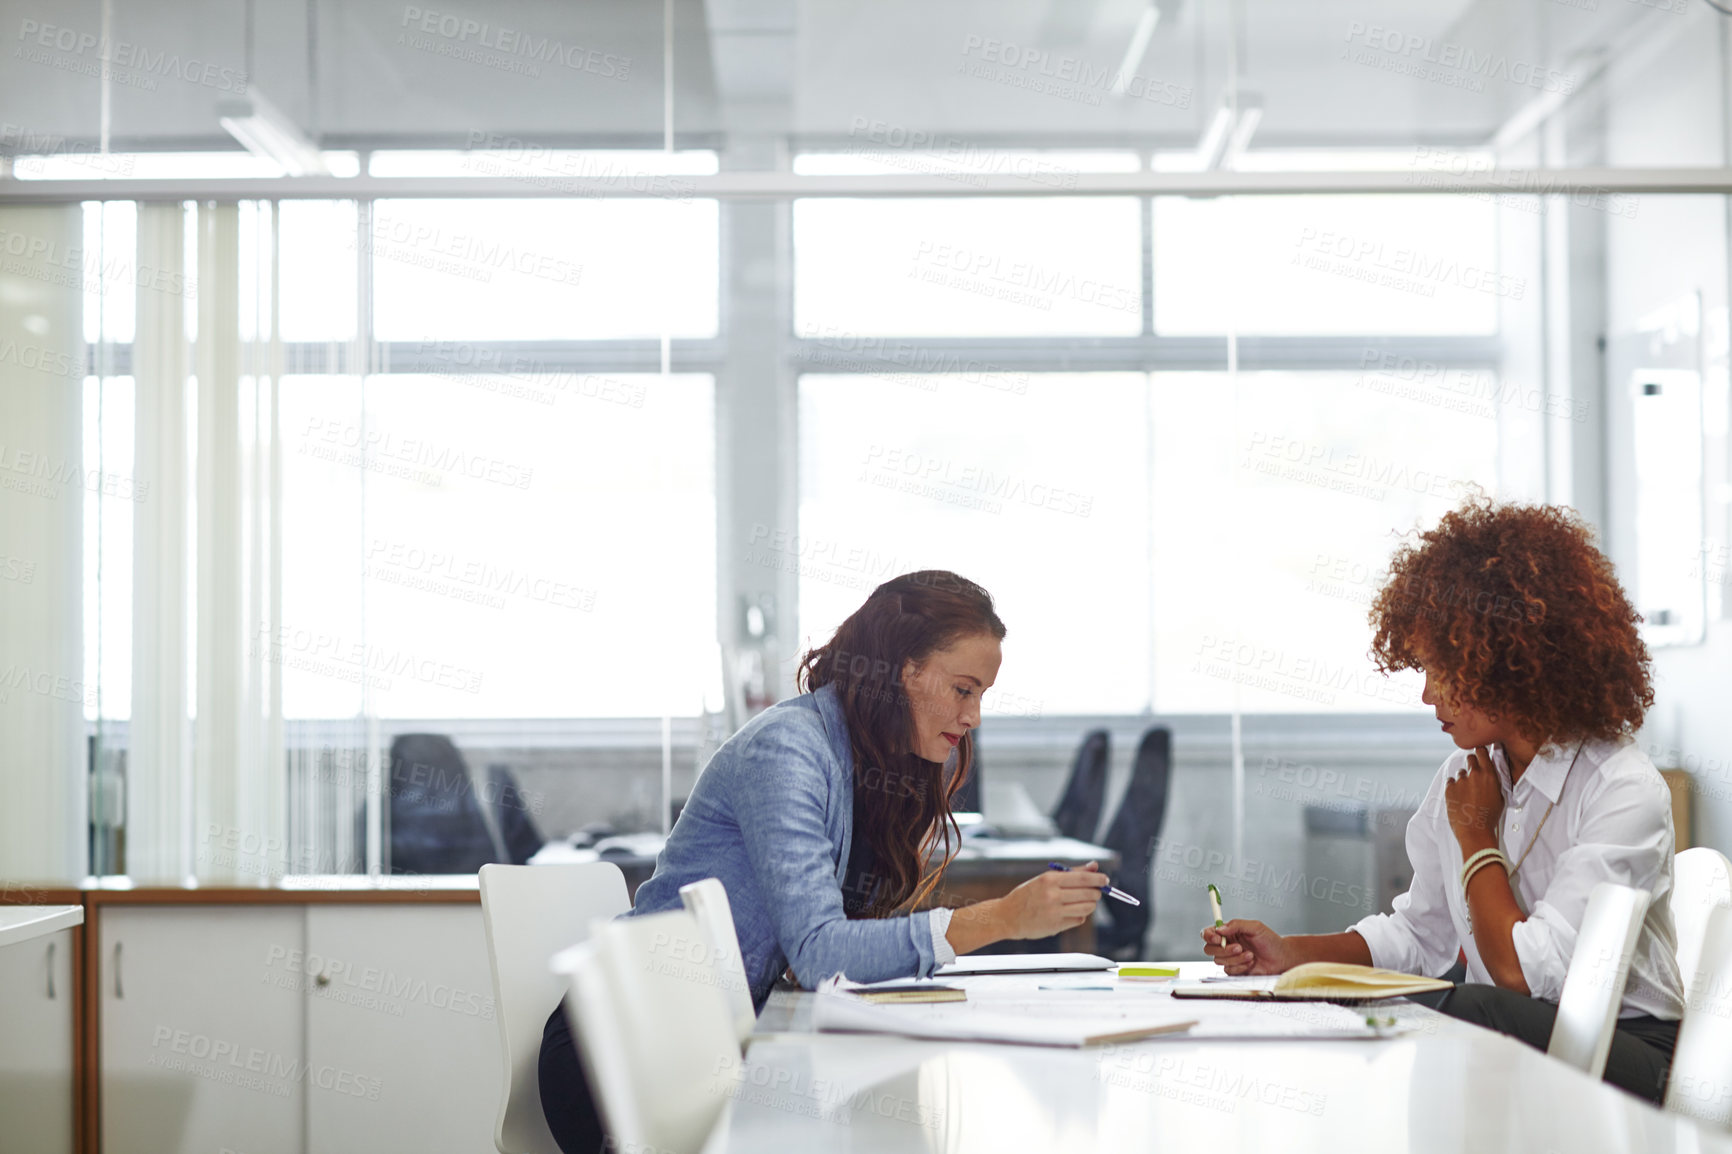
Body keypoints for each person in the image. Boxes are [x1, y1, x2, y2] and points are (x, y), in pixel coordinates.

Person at [541, 570, 1110, 1152]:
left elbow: (833, 954)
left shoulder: (866, 757)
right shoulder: (787, 748)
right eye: (964, 690)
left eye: (981, 696)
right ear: (905, 670)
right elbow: (819, 953)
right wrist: (1002, 920)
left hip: (704, 1042)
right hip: (621, 1055)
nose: (974, 718)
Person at [1203, 498, 1684, 1102]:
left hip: (1628, 1050)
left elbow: (1522, 976)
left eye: (1443, 670)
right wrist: (1290, 955)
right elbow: (1419, 936)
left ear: (1511, 663)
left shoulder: (1622, 788)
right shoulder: (1466, 774)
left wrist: (1478, 838)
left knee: (1457, 1008)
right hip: (1508, 1026)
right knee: (1425, 1008)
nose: (1429, 694)